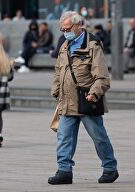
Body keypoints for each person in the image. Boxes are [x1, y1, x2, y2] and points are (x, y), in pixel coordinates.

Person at [48, 11, 119, 185]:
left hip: (87, 100)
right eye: (62, 29)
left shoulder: (93, 45)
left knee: (98, 136)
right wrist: (56, 90)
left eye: (67, 28)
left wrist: (94, 92)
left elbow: (102, 76)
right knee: (64, 137)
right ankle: (64, 171)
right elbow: (59, 70)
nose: (65, 32)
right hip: (67, 99)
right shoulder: (65, 45)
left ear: (79, 25)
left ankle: (110, 168)